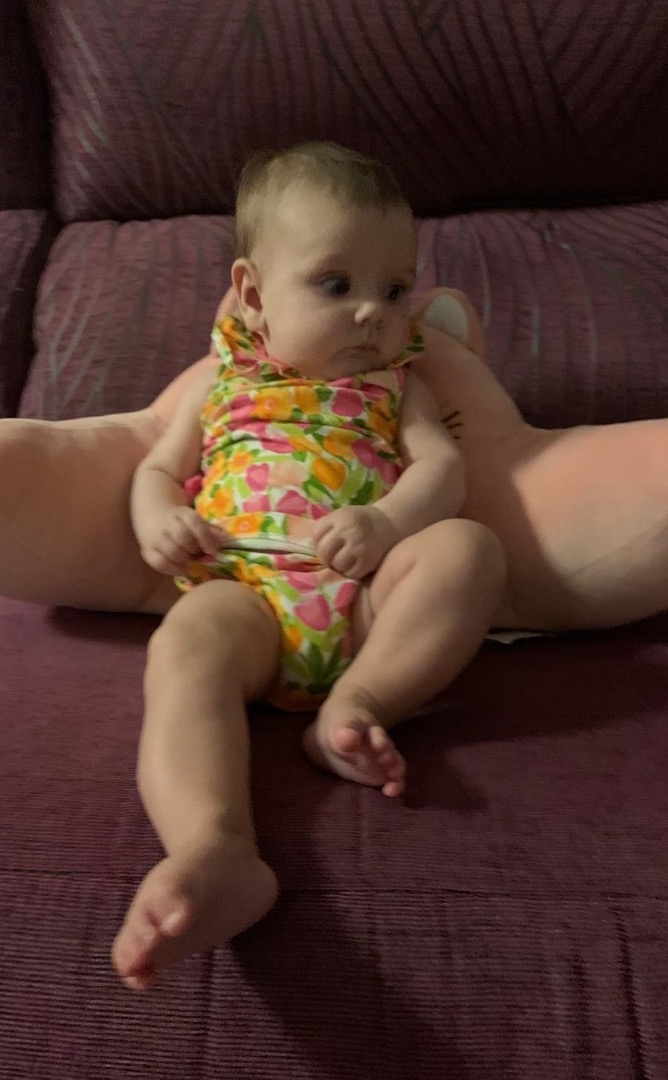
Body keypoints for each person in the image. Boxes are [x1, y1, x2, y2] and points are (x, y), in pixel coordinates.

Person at [109, 142, 506, 990]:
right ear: (254, 295)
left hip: (366, 601)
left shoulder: (397, 386)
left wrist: (388, 521)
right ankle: (214, 848)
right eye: (335, 284)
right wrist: (159, 521)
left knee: (469, 550)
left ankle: (358, 708)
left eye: (394, 290)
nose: (372, 314)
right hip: (246, 596)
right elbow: (155, 469)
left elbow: (443, 470)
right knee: (185, 646)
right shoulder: (220, 380)